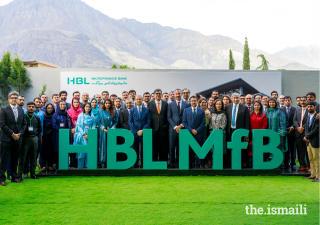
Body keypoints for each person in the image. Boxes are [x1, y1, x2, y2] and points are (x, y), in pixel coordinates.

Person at [0, 91, 27, 186]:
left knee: (15, 159)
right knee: (4, 159)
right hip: (6, 139)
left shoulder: (21, 110)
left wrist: (20, 134)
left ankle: (14, 177)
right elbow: (2, 124)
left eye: (16, 97)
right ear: (8, 99)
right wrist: (12, 134)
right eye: (12, 98)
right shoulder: (3, 109)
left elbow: (24, 124)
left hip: (18, 139)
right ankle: (2, 179)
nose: (14, 99)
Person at [225, 93, 250, 168]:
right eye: (234, 98)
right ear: (231, 98)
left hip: (240, 132)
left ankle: (240, 163)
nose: (236, 99)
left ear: (239, 98)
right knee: (229, 148)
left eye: (237, 98)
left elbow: (247, 121)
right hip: (229, 131)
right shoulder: (227, 107)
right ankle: (229, 163)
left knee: (240, 148)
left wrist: (246, 134)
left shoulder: (244, 107)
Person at [18, 102, 42, 180]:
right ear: (26, 107)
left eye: (32, 106)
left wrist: (35, 135)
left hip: (34, 138)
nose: (31, 108)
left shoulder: (37, 118)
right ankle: (19, 175)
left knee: (33, 157)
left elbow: (40, 129)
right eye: (29, 106)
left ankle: (32, 174)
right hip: (25, 138)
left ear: (35, 108)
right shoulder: (23, 117)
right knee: (23, 157)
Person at [167, 89, 191, 168]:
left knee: (182, 147)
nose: (177, 95)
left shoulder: (187, 104)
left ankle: (181, 163)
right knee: (171, 147)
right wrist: (175, 127)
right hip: (172, 130)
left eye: (179, 94)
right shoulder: (170, 104)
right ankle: (172, 164)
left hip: (183, 129)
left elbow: (188, 117)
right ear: (174, 94)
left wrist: (181, 126)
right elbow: (169, 117)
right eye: (176, 94)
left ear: (181, 94)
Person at [182, 95, 206, 168]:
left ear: (197, 101)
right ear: (190, 102)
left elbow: (203, 122)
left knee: (198, 149)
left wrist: (197, 130)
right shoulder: (186, 110)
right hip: (189, 134)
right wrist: (191, 130)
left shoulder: (201, 110)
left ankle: (197, 165)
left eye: (195, 101)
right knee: (189, 150)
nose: (193, 102)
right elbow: (184, 122)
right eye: (192, 101)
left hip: (199, 133)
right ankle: (189, 164)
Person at [129, 95, 151, 168]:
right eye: (137, 99)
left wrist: (142, 130)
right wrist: (136, 131)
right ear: (135, 100)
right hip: (134, 133)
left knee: (143, 149)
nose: (138, 100)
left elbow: (148, 121)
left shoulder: (146, 109)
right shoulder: (132, 110)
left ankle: (143, 165)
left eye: (140, 99)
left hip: (144, 133)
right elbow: (130, 122)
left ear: (142, 100)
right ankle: (134, 164)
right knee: (134, 149)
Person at [148, 89, 168, 161]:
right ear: (154, 94)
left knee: (163, 147)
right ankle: (154, 162)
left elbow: (167, 115)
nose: (158, 95)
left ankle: (163, 162)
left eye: (159, 93)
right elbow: (149, 115)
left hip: (163, 129)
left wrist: (166, 125)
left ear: (161, 95)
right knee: (154, 147)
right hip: (153, 129)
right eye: (157, 93)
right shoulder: (150, 103)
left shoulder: (165, 103)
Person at [74, 103, 96, 169]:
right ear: (84, 107)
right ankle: (80, 167)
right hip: (81, 136)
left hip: (90, 137)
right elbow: (79, 126)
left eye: (89, 107)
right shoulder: (80, 116)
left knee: (88, 152)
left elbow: (93, 126)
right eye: (86, 106)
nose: (88, 108)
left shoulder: (92, 116)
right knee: (81, 151)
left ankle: (88, 166)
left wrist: (89, 134)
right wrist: (84, 134)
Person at [265, 97, 287, 164]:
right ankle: (271, 163)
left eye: (273, 102)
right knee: (269, 148)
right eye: (270, 102)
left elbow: (283, 122)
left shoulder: (279, 111)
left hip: (277, 134)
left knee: (278, 148)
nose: (271, 103)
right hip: (268, 135)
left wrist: (281, 133)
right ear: (268, 103)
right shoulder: (266, 111)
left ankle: (279, 163)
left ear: (275, 103)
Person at [99, 98, 118, 167]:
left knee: (111, 146)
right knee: (103, 146)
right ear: (104, 104)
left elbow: (116, 121)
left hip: (112, 132)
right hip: (103, 132)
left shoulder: (114, 112)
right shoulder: (101, 112)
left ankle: (111, 162)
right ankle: (103, 163)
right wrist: (103, 129)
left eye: (109, 103)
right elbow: (98, 122)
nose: (107, 104)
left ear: (111, 104)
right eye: (106, 103)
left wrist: (112, 129)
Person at [303, 101, 319, 182]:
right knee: (311, 159)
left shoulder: (318, 116)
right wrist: (306, 137)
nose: (309, 108)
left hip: (315, 141)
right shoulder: (308, 116)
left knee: (317, 159)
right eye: (308, 107)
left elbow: (317, 129)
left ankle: (318, 177)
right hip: (308, 141)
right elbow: (306, 127)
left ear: (314, 107)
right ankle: (313, 175)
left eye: (311, 107)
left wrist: (307, 136)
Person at [248, 101, 267, 168]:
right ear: (253, 106)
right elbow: (249, 125)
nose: (257, 106)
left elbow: (265, 125)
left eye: (258, 105)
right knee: (252, 148)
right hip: (252, 135)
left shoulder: (263, 115)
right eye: (255, 105)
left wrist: (259, 132)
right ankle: (252, 163)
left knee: (260, 149)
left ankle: (261, 163)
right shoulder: (250, 114)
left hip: (261, 136)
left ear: (260, 106)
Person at [293, 96, 310, 171]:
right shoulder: (297, 109)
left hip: (306, 133)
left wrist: (303, 128)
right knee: (300, 151)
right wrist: (298, 128)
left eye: (304, 100)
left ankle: (309, 166)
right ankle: (303, 165)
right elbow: (294, 120)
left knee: (308, 151)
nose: (302, 102)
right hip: (298, 133)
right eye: (301, 100)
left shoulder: (309, 110)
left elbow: (309, 121)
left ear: (307, 101)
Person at [209, 99, 227, 167]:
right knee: (214, 150)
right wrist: (211, 131)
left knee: (220, 149)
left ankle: (221, 165)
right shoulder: (212, 113)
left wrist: (218, 132)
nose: (218, 105)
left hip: (221, 134)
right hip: (213, 134)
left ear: (222, 105)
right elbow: (210, 124)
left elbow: (224, 124)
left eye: (220, 104)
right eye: (217, 104)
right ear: (215, 105)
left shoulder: (224, 113)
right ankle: (215, 165)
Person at [52, 101, 69, 170]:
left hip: (65, 135)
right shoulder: (55, 115)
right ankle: (57, 166)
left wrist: (65, 132)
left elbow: (68, 124)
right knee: (57, 150)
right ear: (58, 105)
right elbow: (54, 125)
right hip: (57, 135)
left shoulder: (67, 114)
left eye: (64, 104)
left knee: (65, 149)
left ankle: (64, 166)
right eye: (61, 104)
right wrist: (61, 131)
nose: (62, 105)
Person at [281, 96, 297, 169]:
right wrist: (284, 129)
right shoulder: (281, 109)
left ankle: (293, 163)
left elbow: (296, 120)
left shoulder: (295, 109)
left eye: (289, 100)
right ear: (284, 102)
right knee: (285, 148)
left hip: (293, 132)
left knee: (292, 148)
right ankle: (286, 163)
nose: (287, 101)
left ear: (291, 101)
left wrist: (292, 127)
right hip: (284, 132)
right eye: (286, 100)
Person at [67, 97, 82, 169]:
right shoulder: (69, 112)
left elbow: (82, 123)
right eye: (74, 102)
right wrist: (72, 130)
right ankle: (72, 164)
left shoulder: (82, 111)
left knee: (79, 148)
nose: (76, 104)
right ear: (72, 103)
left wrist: (77, 129)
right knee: (72, 148)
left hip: (80, 133)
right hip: (71, 133)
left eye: (77, 102)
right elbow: (68, 122)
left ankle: (79, 164)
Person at [41, 103, 55, 172]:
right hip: (45, 135)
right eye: (48, 108)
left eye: (51, 108)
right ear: (46, 109)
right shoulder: (44, 116)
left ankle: (50, 165)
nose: (50, 109)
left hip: (52, 135)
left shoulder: (54, 116)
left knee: (51, 151)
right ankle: (43, 165)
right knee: (44, 150)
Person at [198, 98, 211, 168]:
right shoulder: (197, 110)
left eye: (205, 102)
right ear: (199, 103)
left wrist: (209, 116)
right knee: (199, 146)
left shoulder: (209, 111)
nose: (203, 104)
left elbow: (210, 121)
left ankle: (205, 162)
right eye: (202, 102)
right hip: (199, 130)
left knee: (206, 146)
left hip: (206, 130)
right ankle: (200, 162)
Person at [34, 97, 44, 171]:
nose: (38, 103)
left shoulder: (41, 113)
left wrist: (41, 135)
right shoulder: (29, 112)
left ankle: (33, 169)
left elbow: (42, 125)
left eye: (40, 102)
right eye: (37, 102)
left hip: (39, 134)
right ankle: (26, 171)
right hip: (31, 134)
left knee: (37, 151)